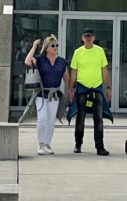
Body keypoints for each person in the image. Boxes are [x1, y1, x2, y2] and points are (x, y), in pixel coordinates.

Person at [24, 35, 70, 155]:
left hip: (54, 94)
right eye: (52, 45)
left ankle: (47, 143)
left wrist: (70, 91)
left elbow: (66, 77)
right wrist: (34, 46)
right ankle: (40, 144)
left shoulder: (61, 61)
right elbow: (27, 61)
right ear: (46, 48)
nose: (55, 47)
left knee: (51, 121)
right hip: (41, 93)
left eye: (56, 45)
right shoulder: (40, 59)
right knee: (42, 118)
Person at [69, 28, 111, 156]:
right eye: (86, 36)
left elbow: (104, 70)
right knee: (80, 118)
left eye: (90, 36)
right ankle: (78, 144)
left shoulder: (100, 51)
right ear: (82, 38)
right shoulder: (77, 52)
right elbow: (74, 72)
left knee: (98, 119)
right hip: (82, 89)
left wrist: (108, 88)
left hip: (96, 89)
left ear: (93, 38)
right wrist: (70, 89)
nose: (88, 38)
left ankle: (100, 147)